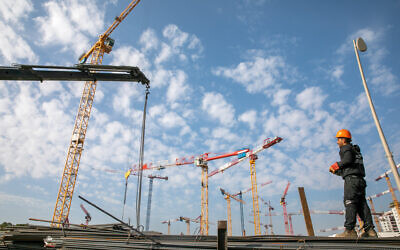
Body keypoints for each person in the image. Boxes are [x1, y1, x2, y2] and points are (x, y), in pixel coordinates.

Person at [329, 129, 378, 238]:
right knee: (362, 204)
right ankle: (370, 230)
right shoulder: (356, 151)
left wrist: (335, 166)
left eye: (338, 139)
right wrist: (338, 172)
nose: (337, 142)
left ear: (343, 139)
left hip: (352, 181)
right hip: (360, 180)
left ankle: (350, 230)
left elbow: (347, 160)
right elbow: (350, 167)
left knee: (350, 202)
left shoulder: (345, 148)